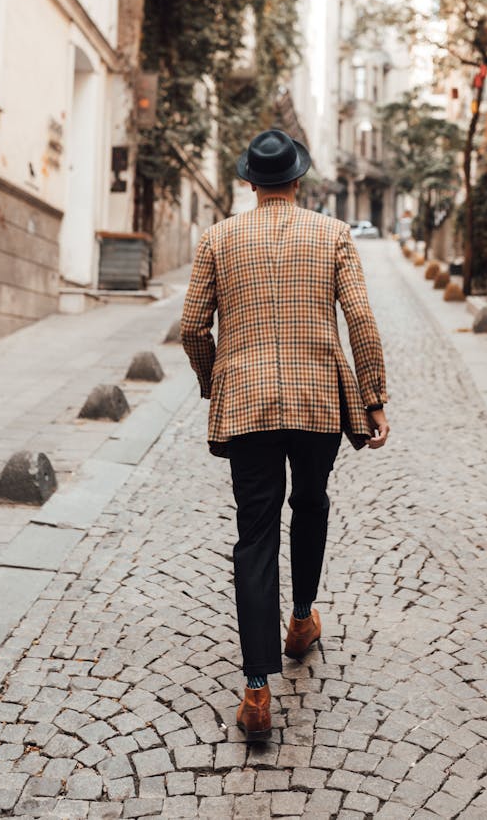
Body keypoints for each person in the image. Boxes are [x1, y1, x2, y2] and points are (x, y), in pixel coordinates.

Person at [181, 129, 389, 740]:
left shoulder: (218, 238)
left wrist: (213, 379)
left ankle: (255, 693)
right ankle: (301, 619)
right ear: (299, 180)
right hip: (320, 400)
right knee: (312, 502)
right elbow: (361, 319)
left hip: (245, 404)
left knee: (255, 534)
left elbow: (193, 327)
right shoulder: (333, 235)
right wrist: (373, 395)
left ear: (250, 182)